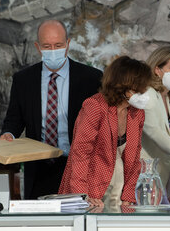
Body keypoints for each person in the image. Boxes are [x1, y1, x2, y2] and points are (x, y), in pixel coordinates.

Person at [0, 19, 102, 199]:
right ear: (38, 47)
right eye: (47, 46)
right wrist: (9, 134)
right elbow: (14, 119)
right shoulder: (23, 80)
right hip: (38, 168)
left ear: (68, 44)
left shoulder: (91, 78)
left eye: (58, 45)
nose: (53, 51)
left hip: (78, 167)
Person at [58, 56, 152, 208]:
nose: (144, 92)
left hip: (120, 193)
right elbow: (80, 154)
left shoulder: (137, 113)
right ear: (123, 86)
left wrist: (129, 195)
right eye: (139, 88)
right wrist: (82, 196)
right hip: (91, 191)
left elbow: (135, 158)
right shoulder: (94, 106)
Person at [141, 46, 170, 197]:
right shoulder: (148, 96)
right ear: (157, 70)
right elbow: (159, 138)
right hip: (143, 180)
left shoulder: (165, 97)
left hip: (160, 178)